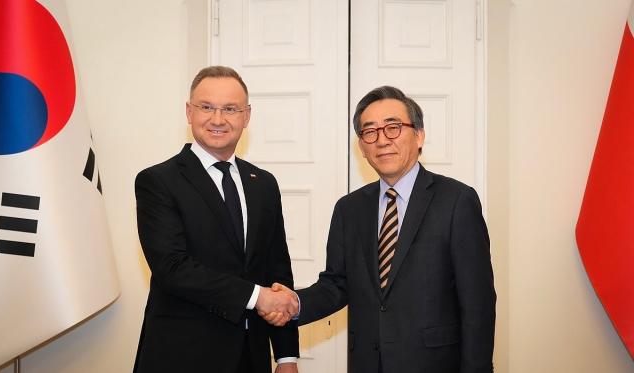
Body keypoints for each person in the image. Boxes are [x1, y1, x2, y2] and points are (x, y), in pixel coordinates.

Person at [262, 86, 496, 373]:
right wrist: (294, 303)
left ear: (419, 135)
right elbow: (337, 284)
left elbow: (478, 304)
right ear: (361, 146)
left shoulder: (457, 201)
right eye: (369, 132)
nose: (382, 140)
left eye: (393, 128)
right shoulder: (348, 209)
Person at [134, 66, 299, 373]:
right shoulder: (158, 181)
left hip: (251, 357)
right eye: (207, 107)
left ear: (246, 117)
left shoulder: (263, 183)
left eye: (230, 109)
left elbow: (276, 268)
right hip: (182, 357)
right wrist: (256, 296)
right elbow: (172, 268)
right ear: (189, 112)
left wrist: (287, 355)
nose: (218, 119)